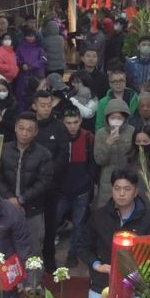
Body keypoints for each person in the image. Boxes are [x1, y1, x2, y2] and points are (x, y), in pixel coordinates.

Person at [80, 169, 150, 298]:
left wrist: (142, 272)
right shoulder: (99, 216)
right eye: (117, 188)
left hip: (135, 286)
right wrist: (96, 264)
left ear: (136, 192)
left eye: (127, 189)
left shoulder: (148, 219)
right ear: (112, 190)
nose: (121, 194)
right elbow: (83, 246)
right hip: (102, 282)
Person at [0, 113, 54, 260]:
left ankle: (33, 276)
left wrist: (21, 199)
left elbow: (44, 181)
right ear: (15, 128)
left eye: (29, 130)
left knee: (34, 250)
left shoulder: (43, 154)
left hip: (33, 209)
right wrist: (10, 198)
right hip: (5, 207)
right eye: (21, 128)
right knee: (3, 250)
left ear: (35, 132)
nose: (24, 133)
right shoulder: (2, 149)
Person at [30, 89, 69, 271]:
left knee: (50, 224)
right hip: (30, 184)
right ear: (34, 106)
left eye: (49, 105)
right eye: (42, 105)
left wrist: (47, 174)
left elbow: (63, 155)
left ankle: (49, 259)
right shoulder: (29, 126)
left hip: (51, 185)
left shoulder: (59, 127)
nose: (46, 108)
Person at [57, 108, 96, 265]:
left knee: (78, 225)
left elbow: (93, 164)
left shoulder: (88, 138)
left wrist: (88, 181)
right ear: (63, 123)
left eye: (75, 122)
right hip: (61, 191)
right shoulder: (59, 137)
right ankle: (48, 253)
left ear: (80, 121)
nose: (72, 126)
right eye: (68, 123)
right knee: (53, 222)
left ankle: (72, 255)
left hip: (82, 191)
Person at [94, 99, 137, 207]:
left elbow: (136, 156)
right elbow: (99, 160)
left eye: (119, 118)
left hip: (128, 177)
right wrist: (107, 144)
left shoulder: (132, 131)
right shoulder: (101, 133)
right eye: (112, 117)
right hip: (107, 180)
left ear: (125, 118)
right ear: (107, 118)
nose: (116, 121)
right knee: (106, 211)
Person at [14, 28, 47, 104]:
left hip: (37, 76)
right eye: (28, 36)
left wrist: (32, 66)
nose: (30, 38)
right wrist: (22, 64)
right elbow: (16, 58)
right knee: (21, 96)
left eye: (32, 36)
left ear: (35, 37)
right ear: (25, 36)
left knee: (37, 96)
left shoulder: (39, 48)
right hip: (23, 76)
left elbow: (44, 59)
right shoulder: (20, 47)